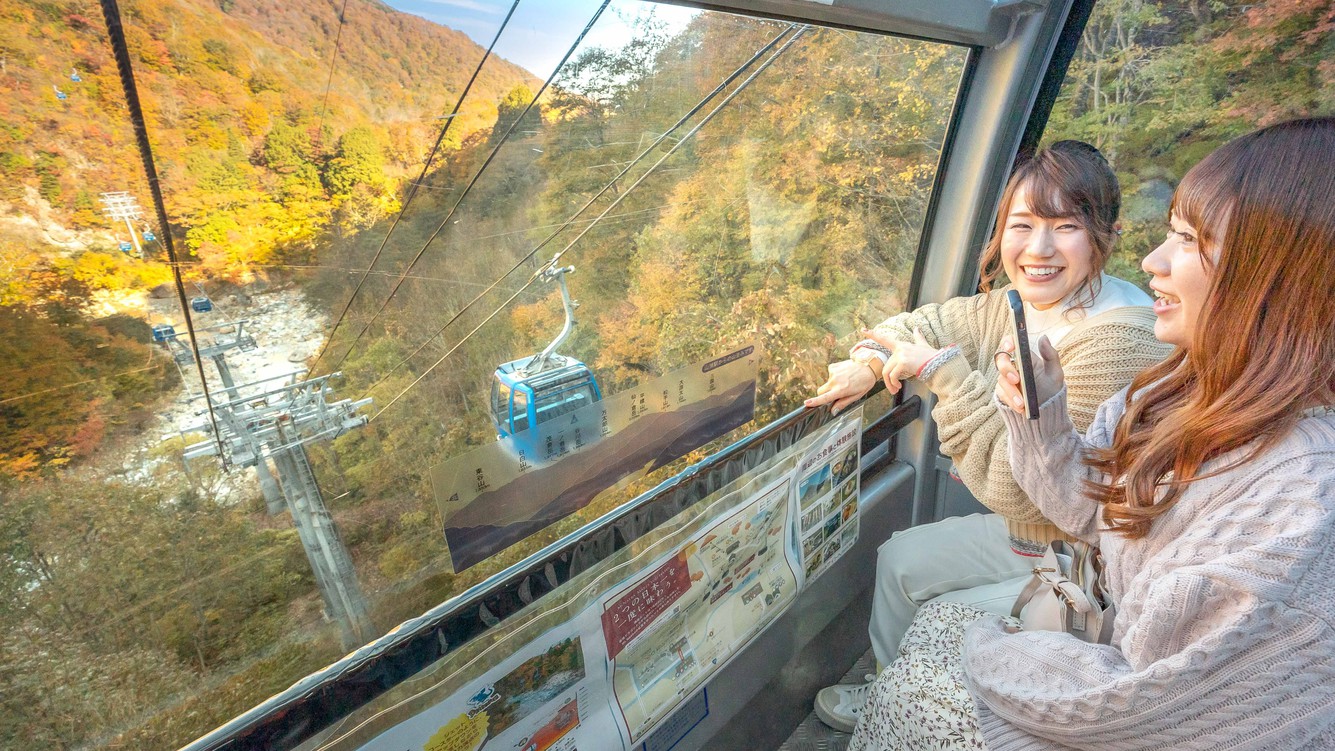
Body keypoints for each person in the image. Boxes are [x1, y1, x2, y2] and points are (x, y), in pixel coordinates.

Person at [849, 116, 1335, 749]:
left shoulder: (1300, 502)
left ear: (1279, 275)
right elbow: (1100, 500)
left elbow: (1158, 704)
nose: (1155, 262)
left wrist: (995, 651)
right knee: (911, 602)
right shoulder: (1182, 385)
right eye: (1021, 227)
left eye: (1188, 240)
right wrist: (1038, 415)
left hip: (1097, 626)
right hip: (1109, 602)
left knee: (918, 674)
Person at [806, 141, 1172, 732]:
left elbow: (1025, 489)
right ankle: (885, 689)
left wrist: (948, 378)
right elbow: (919, 324)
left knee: (944, 625)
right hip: (1030, 536)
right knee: (900, 559)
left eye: (1066, 227)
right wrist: (869, 363)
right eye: (1022, 225)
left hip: (1086, 560)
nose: (1039, 249)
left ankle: (906, 705)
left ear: (1107, 235)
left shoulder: (1118, 341)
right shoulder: (1019, 304)